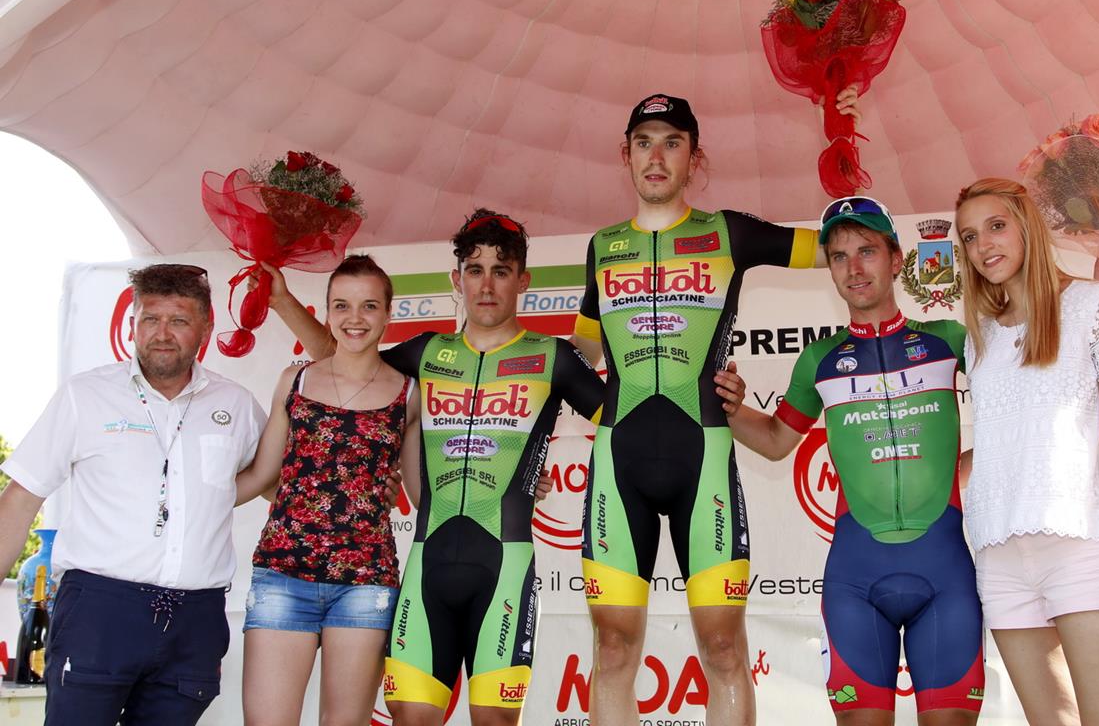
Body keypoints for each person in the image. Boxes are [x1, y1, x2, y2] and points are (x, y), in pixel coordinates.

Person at [569, 92, 857, 725]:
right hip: (619, 466)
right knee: (613, 647)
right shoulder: (602, 245)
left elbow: (839, 245)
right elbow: (581, 349)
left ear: (694, 158)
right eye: (644, 142)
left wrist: (845, 144)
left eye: (672, 143)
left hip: (703, 459)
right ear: (626, 154)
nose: (656, 156)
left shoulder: (730, 233)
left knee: (723, 648)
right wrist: (590, 407)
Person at [266, 209, 607, 725]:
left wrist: (720, 405)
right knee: (410, 717)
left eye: (501, 270)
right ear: (456, 279)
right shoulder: (427, 352)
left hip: (503, 568)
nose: (486, 285)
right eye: (475, 270)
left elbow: (628, 424)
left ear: (523, 281)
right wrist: (283, 302)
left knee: (494, 721)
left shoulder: (552, 357)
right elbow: (344, 362)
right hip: (428, 564)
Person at [719, 196, 985, 725]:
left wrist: (971, 465)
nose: (854, 268)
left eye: (867, 251)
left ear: (896, 258)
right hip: (856, 580)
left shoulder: (949, 341)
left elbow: (1023, 408)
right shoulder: (819, 359)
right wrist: (726, 406)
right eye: (839, 256)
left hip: (946, 574)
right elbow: (775, 440)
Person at [0, 264, 265, 726]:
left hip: (195, 618)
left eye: (178, 321)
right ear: (132, 324)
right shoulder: (86, 395)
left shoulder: (236, 405)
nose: (162, 334)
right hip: (99, 610)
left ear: (205, 328)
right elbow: (21, 498)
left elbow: (267, 481)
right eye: (150, 319)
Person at [954, 178, 1099, 726]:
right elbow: (1003, 441)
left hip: (1082, 547)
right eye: (969, 236)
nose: (983, 245)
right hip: (999, 557)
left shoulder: (1096, 304)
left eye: (996, 226)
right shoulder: (980, 336)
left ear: (1027, 227)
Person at [234, 255, 412, 726]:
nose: (355, 318)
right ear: (328, 311)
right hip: (283, 573)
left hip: (364, 581)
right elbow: (260, 477)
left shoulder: (410, 394)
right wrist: (186, 494)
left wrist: (518, 484)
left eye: (369, 305)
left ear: (388, 313)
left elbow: (425, 491)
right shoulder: (294, 380)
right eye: (342, 305)